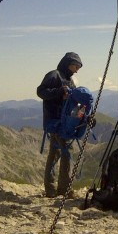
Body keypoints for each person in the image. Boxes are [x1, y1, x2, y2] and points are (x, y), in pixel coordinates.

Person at [36, 52, 82, 198]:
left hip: (61, 121)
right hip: (56, 122)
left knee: (55, 153)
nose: (77, 70)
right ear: (68, 63)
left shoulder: (69, 80)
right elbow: (40, 91)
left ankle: (51, 189)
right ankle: (64, 189)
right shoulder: (54, 75)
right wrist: (59, 92)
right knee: (66, 152)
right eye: (76, 66)